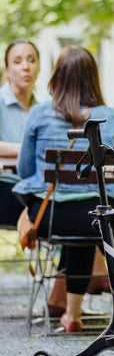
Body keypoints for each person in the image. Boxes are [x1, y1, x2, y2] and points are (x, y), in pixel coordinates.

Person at [14, 46, 114, 333]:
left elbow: (25, 169)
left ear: (57, 76)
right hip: (98, 221)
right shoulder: (113, 117)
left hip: (50, 218)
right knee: (88, 215)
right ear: (93, 78)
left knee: (75, 217)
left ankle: (70, 314)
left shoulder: (39, 114)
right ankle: (74, 313)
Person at [0, 39, 41, 225]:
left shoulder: (45, 108)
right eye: (17, 62)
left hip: (39, 186)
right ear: (7, 70)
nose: (26, 67)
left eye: (32, 60)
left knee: (85, 209)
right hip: (6, 185)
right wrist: (27, 149)